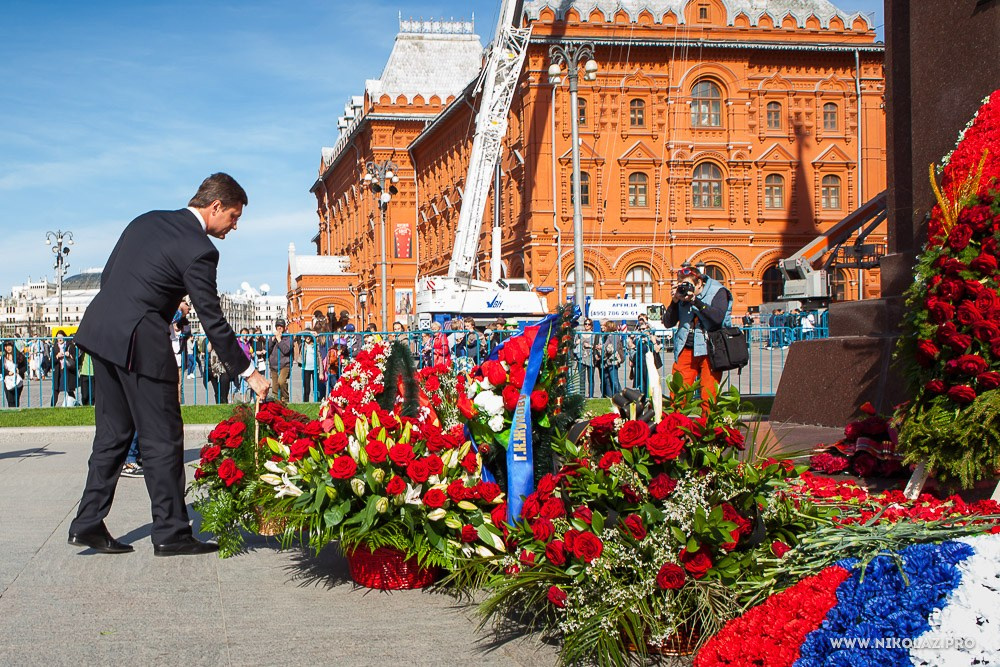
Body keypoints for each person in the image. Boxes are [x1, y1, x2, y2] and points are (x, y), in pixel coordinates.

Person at [68, 173, 270, 556]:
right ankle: (172, 532)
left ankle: (88, 522)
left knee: (112, 435)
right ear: (214, 207)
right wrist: (249, 371)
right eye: (233, 216)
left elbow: (111, 276)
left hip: (100, 333)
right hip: (140, 344)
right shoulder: (200, 249)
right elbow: (211, 318)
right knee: (162, 438)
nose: (234, 226)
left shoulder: (146, 220)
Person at [662, 266, 733, 407]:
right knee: (677, 395)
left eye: (688, 285)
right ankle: (675, 426)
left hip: (710, 350)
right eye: (681, 284)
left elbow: (717, 318)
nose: (685, 288)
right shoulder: (681, 295)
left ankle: (708, 427)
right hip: (686, 348)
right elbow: (668, 323)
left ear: (699, 283)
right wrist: (674, 302)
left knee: (708, 395)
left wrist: (695, 301)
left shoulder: (718, 292)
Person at [267, 318, 292, 403]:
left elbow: (286, 350)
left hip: (284, 364)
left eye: (281, 326)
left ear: (284, 327)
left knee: (281, 382)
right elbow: (267, 349)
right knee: (275, 387)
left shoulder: (288, 338)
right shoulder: (272, 337)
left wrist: (279, 340)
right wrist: (273, 340)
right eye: (278, 326)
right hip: (273, 365)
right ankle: (276, 404)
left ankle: (285, 399)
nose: (279, 328)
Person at [50, 330, 78, 407]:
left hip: (68, 369)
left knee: (69, 389)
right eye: (58, 337)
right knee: (56, 389)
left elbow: (75, 358)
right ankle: (52, 406)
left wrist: (69, 354)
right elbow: (51, 361)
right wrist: (57, 356)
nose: (60, 339)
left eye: (61, 337)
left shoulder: (70, 345)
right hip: (58, 370)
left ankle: (74, 402)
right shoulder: (54, 347)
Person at [599, 320, 623, 397]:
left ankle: (620, 396)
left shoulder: (614, 336)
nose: (603, 328)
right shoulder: (608, 336)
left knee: (614, 381)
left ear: (609, 327)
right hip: (607, 361)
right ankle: (609, 397)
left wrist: (603, 348)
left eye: (605, 326)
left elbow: (613, 348)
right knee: (608, 380)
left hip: (613, 361)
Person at [3, 340, 27, 408]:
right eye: (6, 346)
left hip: (18, 381)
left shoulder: (19, 356)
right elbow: (1, 369)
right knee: (10, 400)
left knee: (16, 400)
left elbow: (25, 366)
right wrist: (7, 372)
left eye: (9, 345)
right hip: (7, 381)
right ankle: (11, 413)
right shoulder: (3, 357)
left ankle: (16, 413)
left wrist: (19, 371)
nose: (8, 348)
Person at [580, 317, 597, 398]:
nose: (587, 325)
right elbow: (575, 344)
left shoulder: (594, 335)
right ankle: (582, 395)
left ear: (591, 326)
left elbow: (597, 346)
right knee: (582, 379)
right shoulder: (580, 334)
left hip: (591, 358)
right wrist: (578, 343)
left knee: (591, 378)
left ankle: (591, 395)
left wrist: (590, 346)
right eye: (585, 324)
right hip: (582, 358)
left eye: (588, 324)